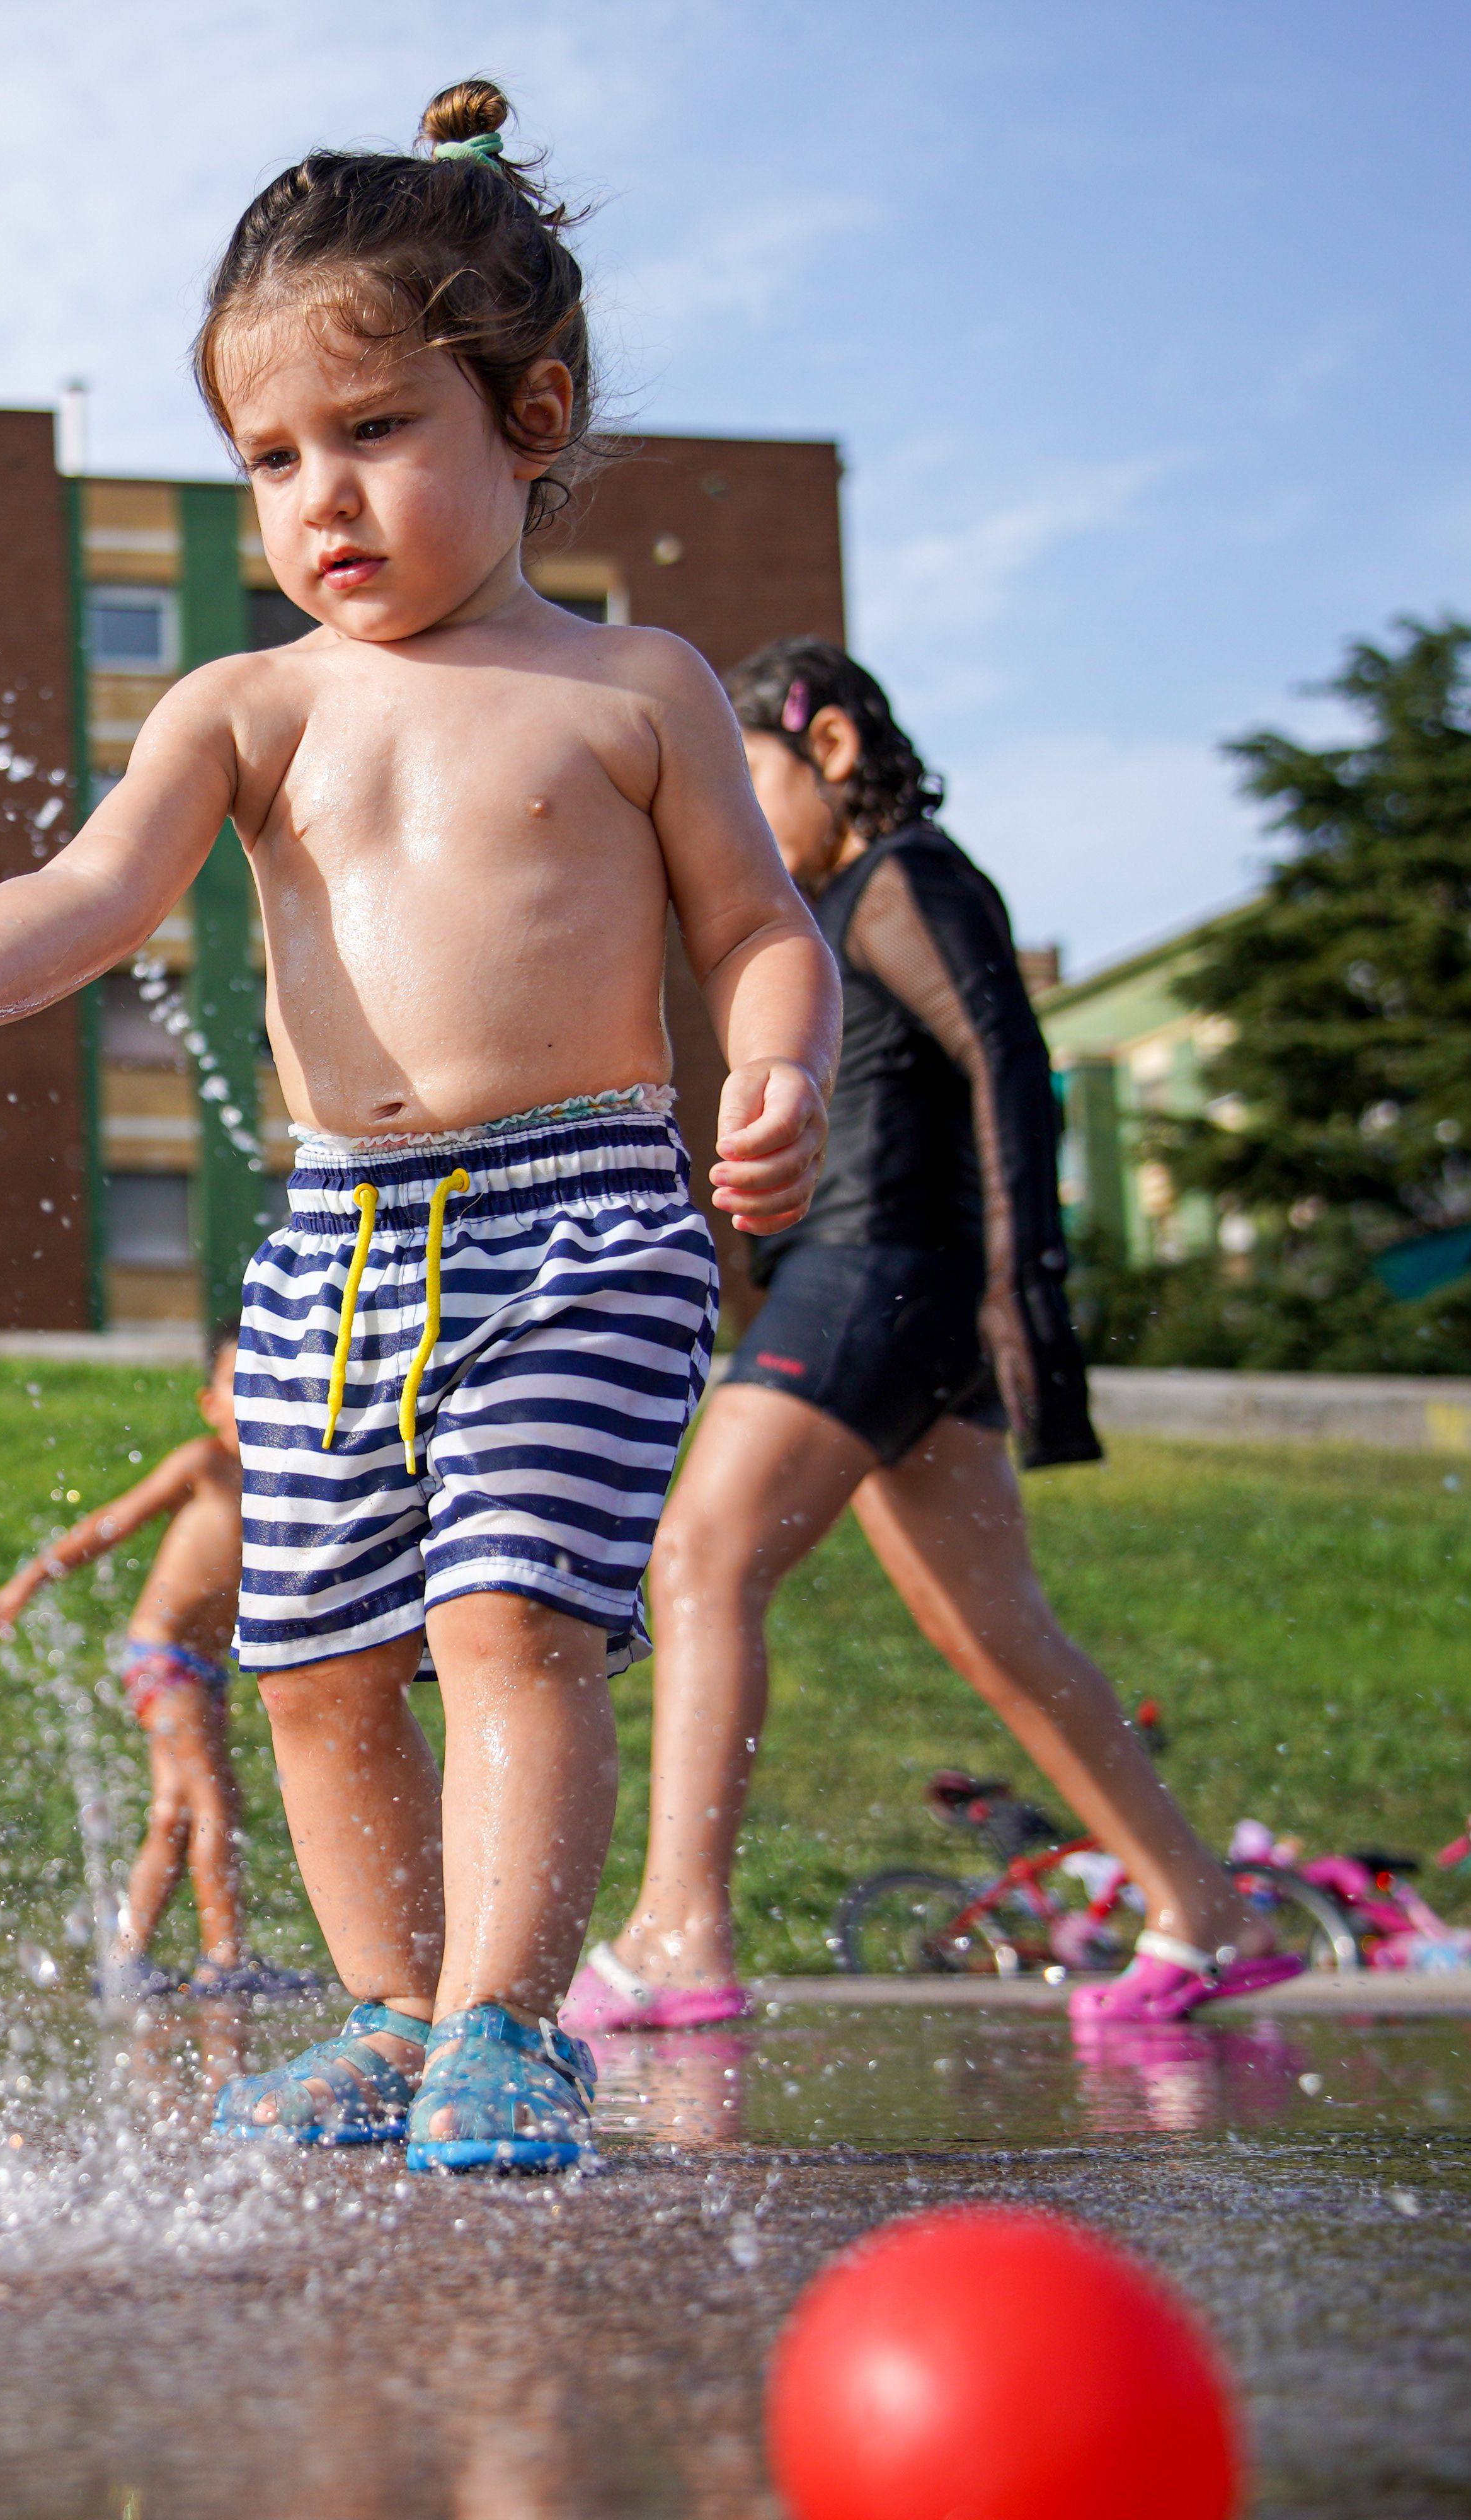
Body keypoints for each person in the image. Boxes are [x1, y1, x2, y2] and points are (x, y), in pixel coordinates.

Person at [0, 79, 842, 2174]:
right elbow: (87, 893)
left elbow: (757, 928)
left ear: (525, 418)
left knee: (508, 1613)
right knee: (314, 1656)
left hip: (582, 1216)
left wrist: (780, 1062)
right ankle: (386, 2008)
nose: (317, 499)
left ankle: (508, 2025)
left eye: (372, 432)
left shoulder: (633, 690)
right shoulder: (245, 709)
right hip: (334, 1238)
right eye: (268, 458)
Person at [564, 638, 1303, 2039]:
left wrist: (1025, 1289)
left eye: (748, 773)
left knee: (702, 1552)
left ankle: (676, 1928)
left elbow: (1006, 1060)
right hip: (901, 1294)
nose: (722, 808)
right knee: (995, 1627)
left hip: (878, 1277)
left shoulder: (904, 877)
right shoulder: (833, 906)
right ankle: (1203, 1911)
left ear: (831, 748)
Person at [0, 1327, 309, 1998]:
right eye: (237, 1384)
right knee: (219, 1801)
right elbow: (115, 1520)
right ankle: (225, 1958)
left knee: (175, 1814)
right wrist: (30, 1580)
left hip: (204, 1669)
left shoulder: (287, 1481)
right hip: (167, 1659)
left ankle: (127, 1960)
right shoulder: (205, 1464)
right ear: (209, 1403)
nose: (254, 1398)